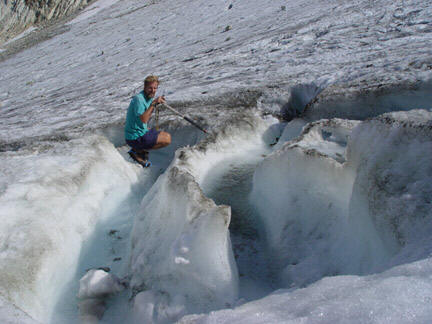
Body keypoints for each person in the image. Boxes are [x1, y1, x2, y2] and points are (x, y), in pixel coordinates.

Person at [124, 75, 171, 166]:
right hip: (135, 137)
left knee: (164, 135)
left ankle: (139, 150)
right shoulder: (139, 99)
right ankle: (137, 151)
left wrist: (156, 103)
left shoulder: (148, 97)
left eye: (155, 88)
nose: (153, 91)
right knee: (167, 138)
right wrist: (153, 104)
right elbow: (144, 119)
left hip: (140, 132)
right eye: (150, 88)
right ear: (145, 87)